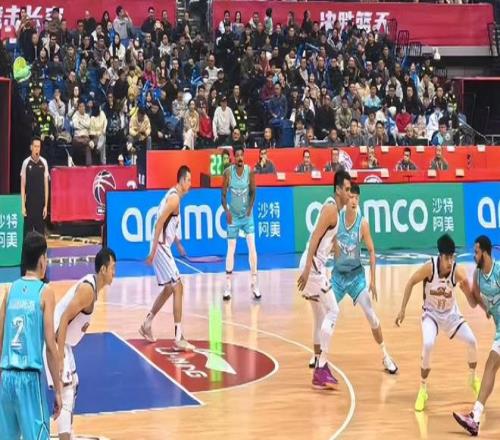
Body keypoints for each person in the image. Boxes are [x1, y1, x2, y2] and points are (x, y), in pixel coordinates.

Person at [395, 234, 480, 412]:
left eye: (452, 257)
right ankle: (423, 389)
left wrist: (468, 292)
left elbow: (472, 302)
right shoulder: (430, 267)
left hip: (451, 315)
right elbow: (410, 282)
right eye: (447, 257)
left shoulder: (458, 271)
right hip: (431, 314)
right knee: (428, 344)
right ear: (440, 256)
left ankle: (472, 378)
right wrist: (402, 310)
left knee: (472, 341)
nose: (450, 261)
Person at [46, 248, 116, 440]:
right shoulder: (87, 290)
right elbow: (64, 319)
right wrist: (59, 357)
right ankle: (64, 436)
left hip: (63, 342)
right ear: (103, 269)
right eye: (112, 267)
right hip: (54, 339)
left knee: (73, 385)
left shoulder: (93, 288)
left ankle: (66, 431)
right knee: (66, 391)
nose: (114, 272)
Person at [0, 232, 62, 439]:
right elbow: (51, 346)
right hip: (29, 381)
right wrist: (58, 389)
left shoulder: (10, 290)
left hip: (6, 378)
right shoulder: (45, 292)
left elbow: (0, 337)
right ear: (42, 260)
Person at [333, 183, 398, 374]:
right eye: (351, 197)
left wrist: (373, 281)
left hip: (356, 277)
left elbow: (371, 250)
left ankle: (385, 355)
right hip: (337, 277)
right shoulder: (336, 219)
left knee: (372, 317)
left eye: (357, 198)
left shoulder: (363, 224)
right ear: (345, 199)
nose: (354, 201)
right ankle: (318, 355)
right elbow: (327, 242)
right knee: (325, 313)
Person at [297, 170, 351, 388]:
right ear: (338, 190)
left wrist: (338, 253)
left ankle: (319, 364)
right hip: (313, 269)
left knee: (320, 317)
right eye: (347, 189)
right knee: (333, 311)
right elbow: (314, 238)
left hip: (316, 268)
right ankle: (322, 366)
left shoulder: (336, 211)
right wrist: (307, 269)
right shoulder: (330, 210)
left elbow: (330, 240)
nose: (349, 194)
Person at [139, 166, 194, 350]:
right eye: (188, 180)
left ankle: (147, 323)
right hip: (160, 247)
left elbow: (168, 225)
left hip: (163, 245)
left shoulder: (173, 195)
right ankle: (178, 337)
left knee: (170, 288)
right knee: (178, 286)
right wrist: (153, 251)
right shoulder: (174, 199)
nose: (190, 184)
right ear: (182, 180)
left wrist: (178, 243)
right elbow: (159, 223)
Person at [453, 235, 500, 436]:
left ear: (485, 253)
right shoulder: (478, 275)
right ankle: (475, 417)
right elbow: (476, 301)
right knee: (491, 366)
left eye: (476, 252)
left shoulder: (498, 271)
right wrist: (466, 292)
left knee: (491, 364)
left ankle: (475, 416)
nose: (473, 255)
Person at [221, 146, 260, 300]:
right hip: (234, 217)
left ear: (244, 157)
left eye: (241, 156)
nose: (239, 158)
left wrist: (250, 208)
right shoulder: (228, 173)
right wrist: (227, 211)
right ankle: (228, 286)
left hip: (247, 217)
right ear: (234, 158)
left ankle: (255, 284)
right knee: (231, 249)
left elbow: (253, 191)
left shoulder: (250, 172)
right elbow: (223, 195)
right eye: (237, 156)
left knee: (252, 248)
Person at [21, 137, 49, 238]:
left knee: (40, 235)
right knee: (27, 235)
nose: (37, 149)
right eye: (35, 146)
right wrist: (23, 206)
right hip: (29, 205)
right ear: (31, 147)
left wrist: (46, 206)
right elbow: (22, 186)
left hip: (40, 205)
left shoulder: (44, 162)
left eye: (39, 147)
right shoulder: (26, 163)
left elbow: (46, 186)